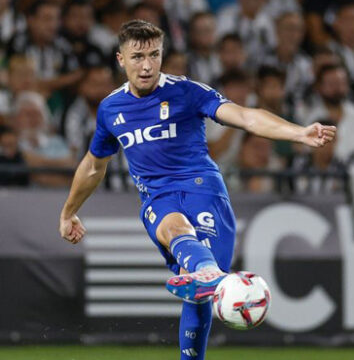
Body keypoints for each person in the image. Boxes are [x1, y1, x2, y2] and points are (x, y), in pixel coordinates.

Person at [57, 20, 336, 360]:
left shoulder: (188, 92)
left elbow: (245, 117)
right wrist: (69, 211)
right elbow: (93, 165)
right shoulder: (111, 109)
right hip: (158, 197)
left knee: (197, 297)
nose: (147, 66)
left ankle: (208, 277)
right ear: (120, 59)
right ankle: (211, 275)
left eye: (155, 55)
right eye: (138, 56)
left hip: (204, 189)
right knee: (176, 232)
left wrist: (298, 133)